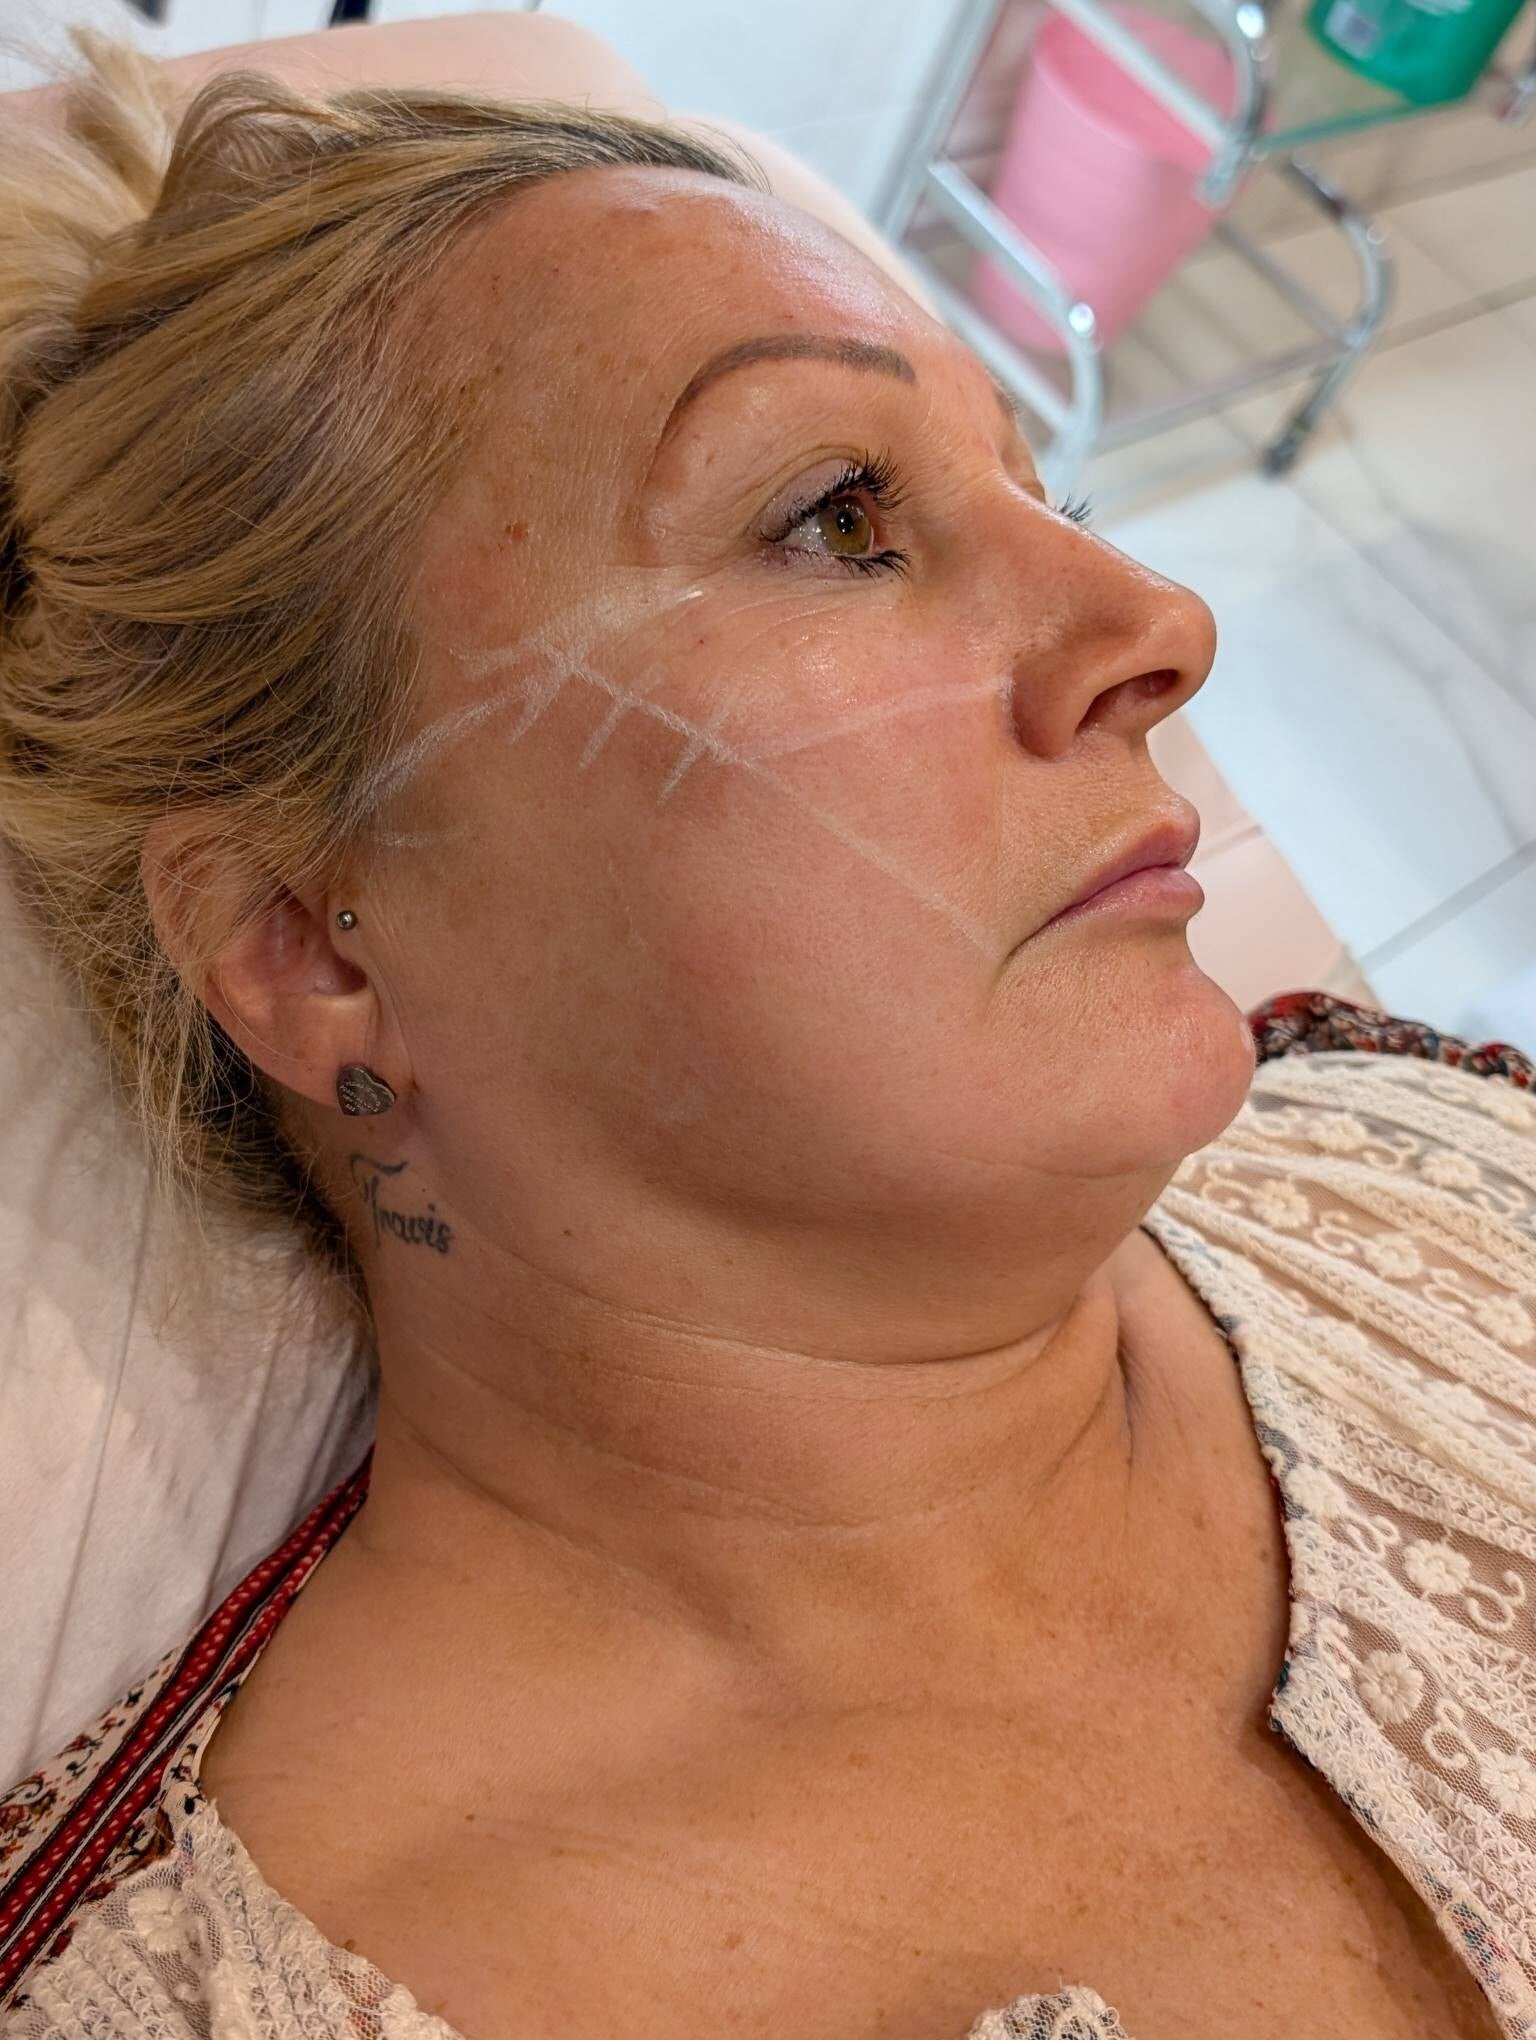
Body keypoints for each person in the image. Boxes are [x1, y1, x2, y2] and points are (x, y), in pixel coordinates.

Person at [1, 28, 1532, 2040]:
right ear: (308, 945)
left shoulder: (1447, 1162)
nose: (1161, 625)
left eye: (1043, 489)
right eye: (835, 516)